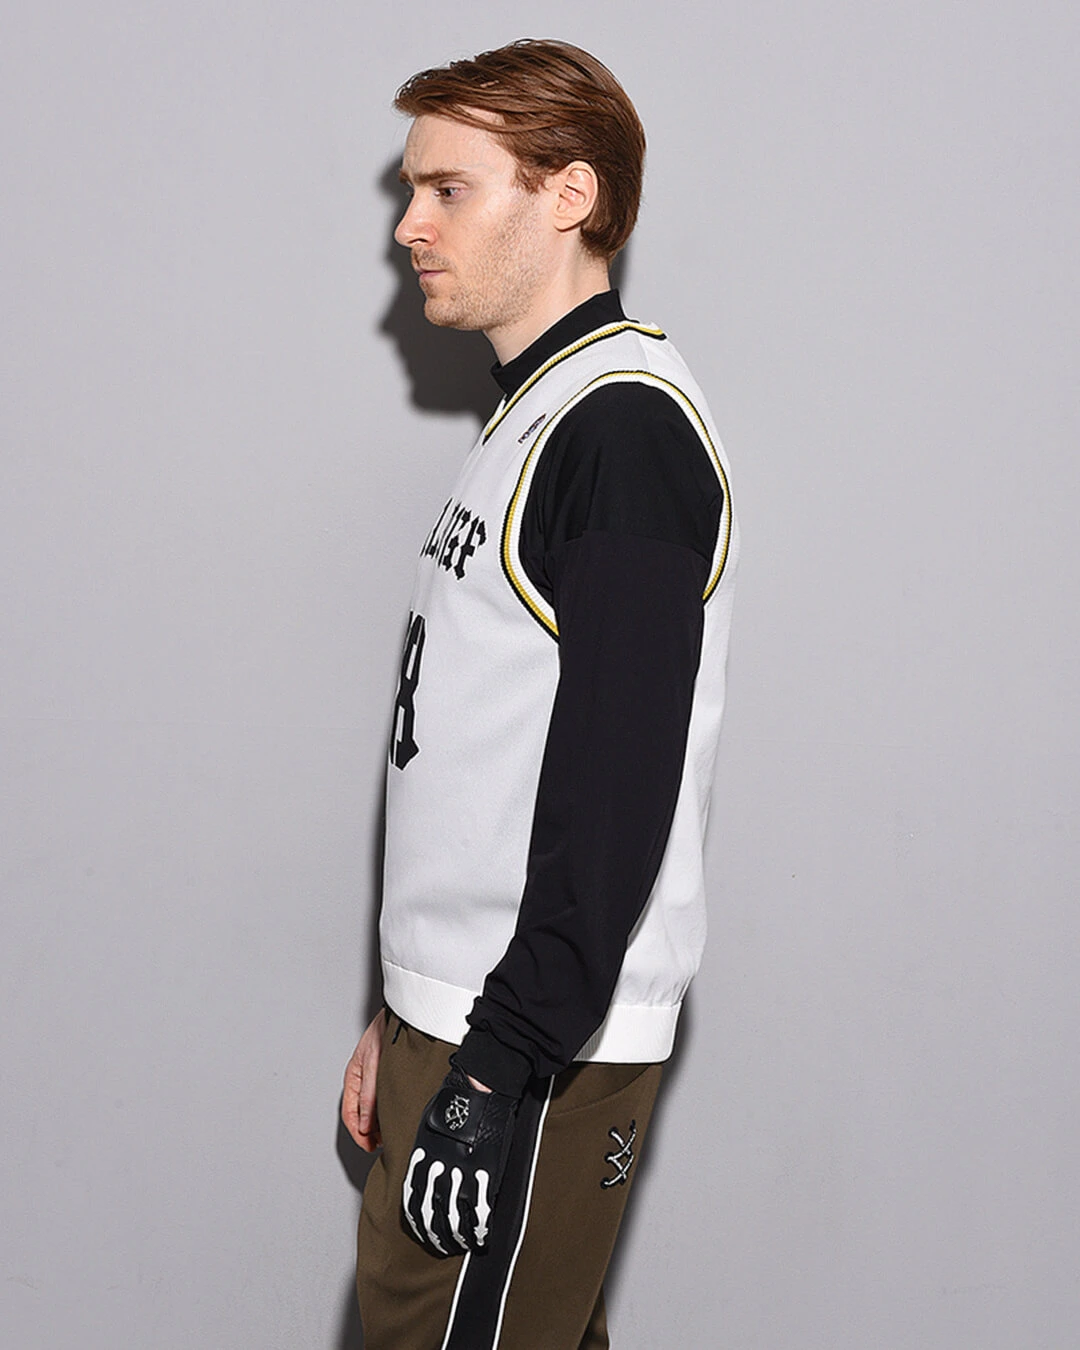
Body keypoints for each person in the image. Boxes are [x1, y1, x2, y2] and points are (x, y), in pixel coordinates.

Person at [341, 38, 738, 1350]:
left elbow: (614, 798)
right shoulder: (538, 413)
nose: (410, 226)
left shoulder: (621, 434)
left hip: (531, 1040)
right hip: (469, 1014)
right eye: (414, 190)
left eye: (449, 189)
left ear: (570, 195)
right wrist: (405, 1007)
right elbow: (480, 755)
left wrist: (496, 1061)